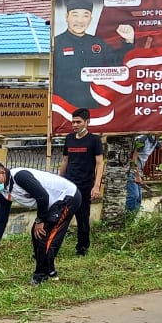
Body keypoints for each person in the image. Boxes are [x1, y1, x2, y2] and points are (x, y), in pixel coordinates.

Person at [0, 161, 82, 285]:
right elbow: (1, 218)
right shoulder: (4, 192)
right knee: (37, 233)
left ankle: (40, 276)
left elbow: (43, 196)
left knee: (44, 234)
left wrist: (40, 220)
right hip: (52, 204)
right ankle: (49, 270)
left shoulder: (20, 176)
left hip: (68, 196)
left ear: (2, 172)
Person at [51, 0, 134, 109]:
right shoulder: (56, 44)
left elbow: (118, 64)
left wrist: (128, 41)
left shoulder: (98, 43)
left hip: (94, 107)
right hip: (64, 110)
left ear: (90, 19)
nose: (80, 21)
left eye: (85, 15)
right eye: (75, 15)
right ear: (67, 17)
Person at [59, 108, 104, 255]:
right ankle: (53, 246)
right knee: (61, 217)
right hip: (68, 184)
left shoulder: (94, 140)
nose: (75, 125)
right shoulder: (69, 138)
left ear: (87, 122)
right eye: (73, 122)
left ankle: (82, 248)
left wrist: (96, 186)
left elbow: (100, 163)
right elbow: (65, 160)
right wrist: (60, 179)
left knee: (83, 218)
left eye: (78, 122)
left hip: (85, 185)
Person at [126, 134, 162, 212]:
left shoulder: (154, 141)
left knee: (138, 199)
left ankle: (132, 220)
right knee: (134, 196)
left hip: (138, 170)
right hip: (131, 170)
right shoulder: (142, 140)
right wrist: (137, 175)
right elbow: (134, 158)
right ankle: (126, 219)